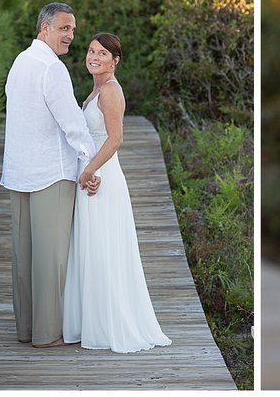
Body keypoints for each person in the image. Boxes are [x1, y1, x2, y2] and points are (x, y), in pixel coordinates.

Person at [61, 33, 172, 353]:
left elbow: (115, 138)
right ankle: (90, 321)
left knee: (103, 248)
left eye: (102, 53)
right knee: (91, 247)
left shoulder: (110, 91)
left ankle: (109, 325)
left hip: (101, 177)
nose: (94, 56)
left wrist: (90, 170)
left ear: (115, 60)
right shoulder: (96, 88)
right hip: (92, 173)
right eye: (91, 51)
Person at [0, 2, 100, 348]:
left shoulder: (20, 62)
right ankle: (46, 334)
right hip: (50, 173)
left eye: (72, 29)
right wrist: (91, 162)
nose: (71, 35)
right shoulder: (51, 68)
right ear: (45, 29)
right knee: (51, 258)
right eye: (64, 28)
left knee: (24, 257)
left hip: (18, 171)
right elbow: (71, 122)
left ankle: (26, 329)